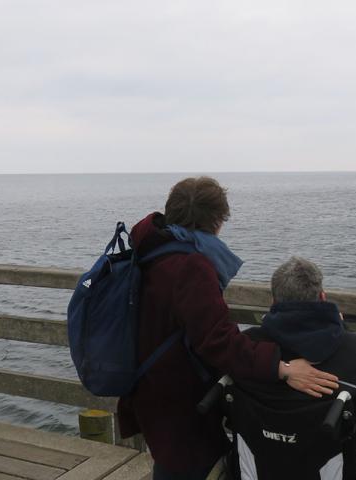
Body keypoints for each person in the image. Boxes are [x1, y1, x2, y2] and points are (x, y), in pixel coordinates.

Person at [116, 177, 339, 480]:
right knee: (188, 467)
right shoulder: (190, 265)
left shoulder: (152, 250)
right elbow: (217, 340)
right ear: (218, 220)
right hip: (178, 400)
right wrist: (282, 368)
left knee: (170, 463)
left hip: (149, 389)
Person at [240, 256, 356, 447]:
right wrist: (342, 329)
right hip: (336, 459)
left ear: (273, 302)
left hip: (259, 457)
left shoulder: (246, 347)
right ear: (322, 297)